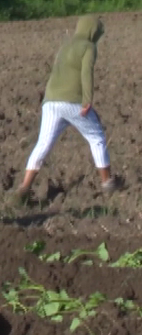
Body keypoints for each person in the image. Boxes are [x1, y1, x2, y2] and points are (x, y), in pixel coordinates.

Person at [15, 14, 117, 203]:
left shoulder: (65, 45)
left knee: (43, 144)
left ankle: (24, 187)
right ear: (92, 32)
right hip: (73, 102)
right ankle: (108, 184)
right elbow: (87, 73)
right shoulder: (88, 47)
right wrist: (87, 101)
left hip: (51, 102)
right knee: (97, 138)